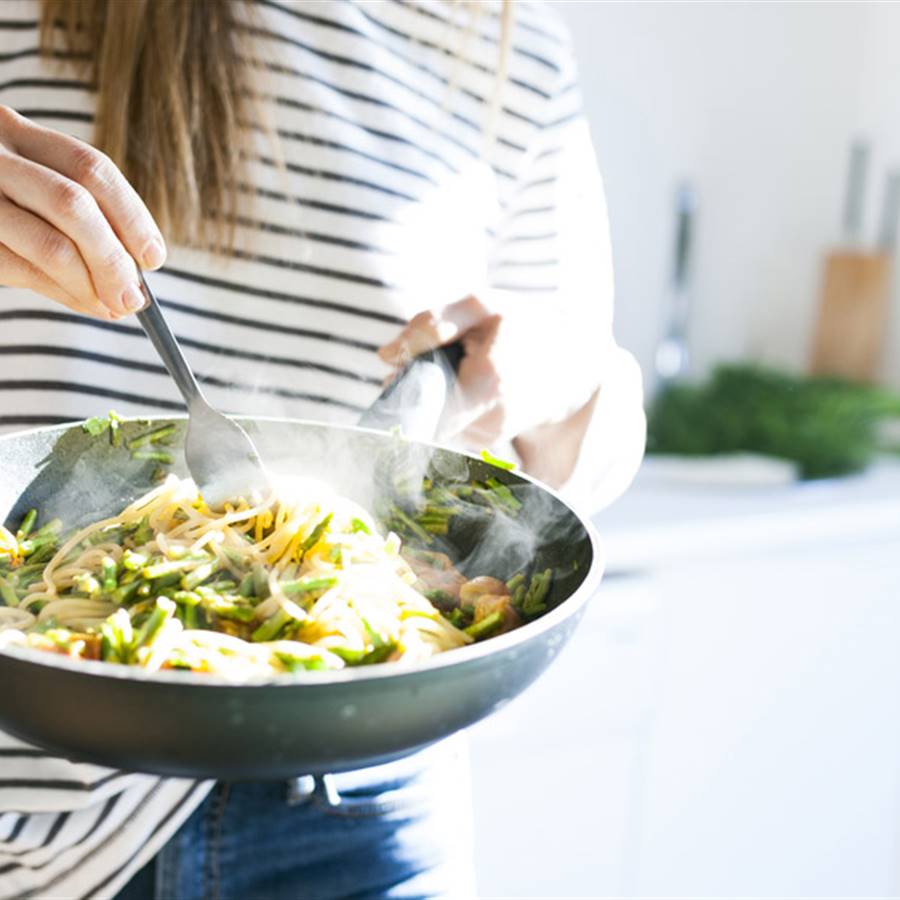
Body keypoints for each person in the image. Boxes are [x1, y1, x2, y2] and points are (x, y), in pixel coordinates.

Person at [0, 0, 645, 897]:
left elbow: (594, 434)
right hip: (20, 802)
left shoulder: (503, 33)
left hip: (360, 805)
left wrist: (558, 372)